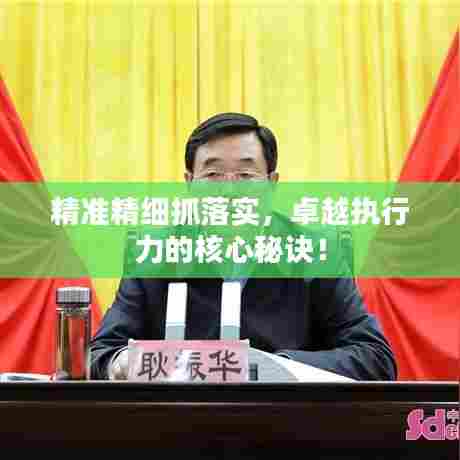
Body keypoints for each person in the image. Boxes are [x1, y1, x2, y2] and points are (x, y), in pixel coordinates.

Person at [89, 112, 397, 381]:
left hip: (287, 421)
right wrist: (124, 363)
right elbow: (99, 354)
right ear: (189, 183)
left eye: (246, 175)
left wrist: (273, 368)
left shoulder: (315, 253)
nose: (229, 191)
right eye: (213, 174)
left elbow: (375, 357)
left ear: (272, 183)